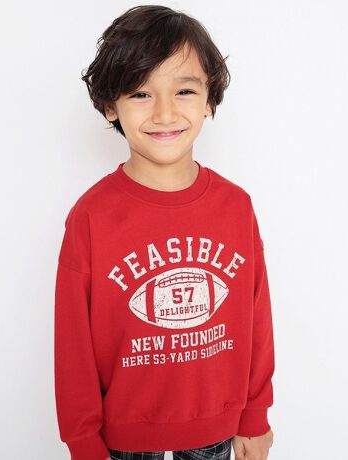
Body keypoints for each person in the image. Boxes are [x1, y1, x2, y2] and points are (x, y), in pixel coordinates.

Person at [54, 5, 275, 460]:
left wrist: (255, 415)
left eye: (185, 90)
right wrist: (83, 442)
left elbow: (258, 321)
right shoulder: (91, 217)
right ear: (110, 104)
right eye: (140, 93)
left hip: (217, 429)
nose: (165, 112)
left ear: (209, 99)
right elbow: (72, 344)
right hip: (125, 440)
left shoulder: (236, 207)